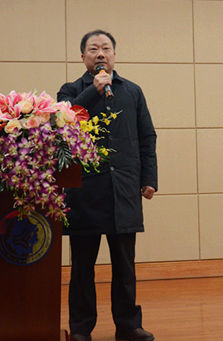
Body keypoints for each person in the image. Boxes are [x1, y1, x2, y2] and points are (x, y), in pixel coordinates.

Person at [57, 30, 157, 341]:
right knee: (82, 267)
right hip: (84, 190)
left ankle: (128, 326)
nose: (100, 53)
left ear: (114, 55)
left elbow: (146, 137)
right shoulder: (70, 90)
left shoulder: (132, 91)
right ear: (82, 57)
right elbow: (61, 123)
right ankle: (80, 329)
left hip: (123, 188)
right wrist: (94, 90)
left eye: (106, 48)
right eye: (93, 49)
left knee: (125, 266)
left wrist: (149, 179)